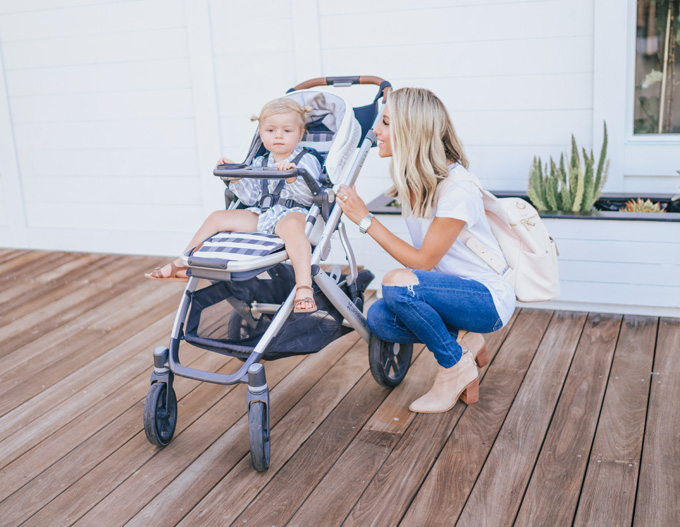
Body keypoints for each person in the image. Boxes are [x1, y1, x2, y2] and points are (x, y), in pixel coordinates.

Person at [336, 87, 516, 412]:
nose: (376, 130)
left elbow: (423, 261)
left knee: (396, 283)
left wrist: (365, 220)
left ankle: (454, 368)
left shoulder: (457, 188)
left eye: (386, 122)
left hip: (486, 298)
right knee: (378, 318)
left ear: (411, 131)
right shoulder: (416, 181)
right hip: (447, 293)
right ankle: (466, 342)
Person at [145, 97, 322, 313]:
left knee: (292, 226)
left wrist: (293, 177)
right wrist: (236, 178)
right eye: (270, 130)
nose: (278, 135)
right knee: (218, 217)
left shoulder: (306, 160)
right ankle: (183, 261)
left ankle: (304, 287)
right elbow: (251, 198)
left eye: (287, 131)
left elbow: (310, 197)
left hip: (294, 214)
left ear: (300, 134)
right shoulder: (259, 162)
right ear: (260, 132)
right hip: (264, 213)